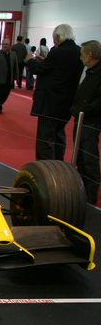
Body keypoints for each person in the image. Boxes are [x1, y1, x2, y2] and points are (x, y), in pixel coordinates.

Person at [26, 23, 83, 161]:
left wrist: (30, 61)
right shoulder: (79, 51)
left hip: (50, 101)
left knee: (45, 137)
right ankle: (58, 164)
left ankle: (45, 167)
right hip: (67, 101)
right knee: (59, 134)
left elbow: (40, 69)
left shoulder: (57, 52)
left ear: (58, 37)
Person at [70, 40, 101, 204]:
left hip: (90, 121)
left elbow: (98, 102)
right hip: (82, 119)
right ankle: (83, 190)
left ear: (90, 55)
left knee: (88, 158)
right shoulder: (90, 71)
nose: (80, 58)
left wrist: (84, 110)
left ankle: (91, 194)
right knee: (80, 156)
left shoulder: (97, 73)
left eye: (82, 55)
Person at [0, 39, 19, 114]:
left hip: (9, 78)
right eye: (4, 44)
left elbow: (15, 66)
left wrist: (16, 77)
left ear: (10, 45)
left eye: (7, 44)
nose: (5, 46)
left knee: (6, 93)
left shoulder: (13, 54)